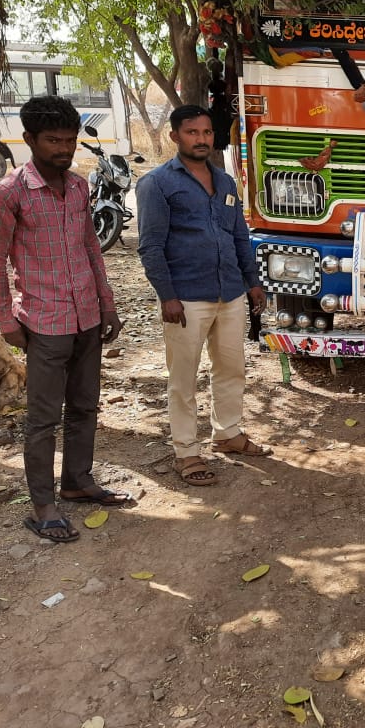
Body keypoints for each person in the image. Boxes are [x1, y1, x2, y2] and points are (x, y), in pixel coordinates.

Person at [0, 96, 126, 544]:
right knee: (44, 418)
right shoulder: (9, 193)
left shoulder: (80, 187)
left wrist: (106, 304)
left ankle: (77, 480)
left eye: (70, 139)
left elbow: (90, 249)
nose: (64, 148)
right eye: (53, 140)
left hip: (86, 315)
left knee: (85, 406)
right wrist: (5, 320)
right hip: (43, 322)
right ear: (29, 140)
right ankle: (43, 503)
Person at [137, 104, 270, 487]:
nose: (201, 139)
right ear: (174, 136)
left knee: (231, 369)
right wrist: (166, 295)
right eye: (192, 132)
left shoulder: (225, 182)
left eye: (207, 133)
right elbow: (150, 246)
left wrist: (252, 281)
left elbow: (238, 236)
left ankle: (228, 433)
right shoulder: (157, 184)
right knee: (183, 378)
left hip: (229, 292)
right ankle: (186, 451)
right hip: (186, 298)